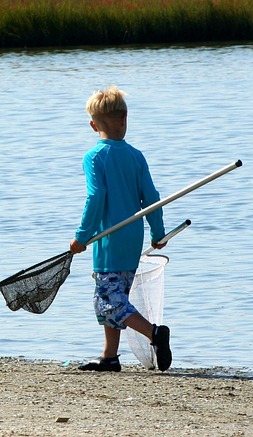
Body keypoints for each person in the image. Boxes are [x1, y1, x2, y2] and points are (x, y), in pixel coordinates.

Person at [69, 86, 172, 372]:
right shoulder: (136, 156)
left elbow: (95, 196)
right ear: (125, 118)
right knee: (112, 298)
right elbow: (152, 198)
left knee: (110, 301)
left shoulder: (94, 157)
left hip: (108, 243)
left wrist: (81, 236)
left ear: (93, 125)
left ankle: (154, 333)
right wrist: (157, 232)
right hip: (132, 239)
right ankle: (109, 357)